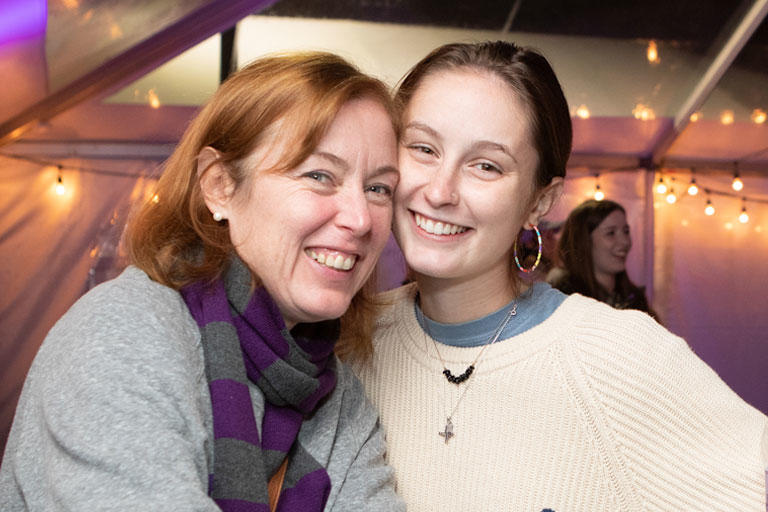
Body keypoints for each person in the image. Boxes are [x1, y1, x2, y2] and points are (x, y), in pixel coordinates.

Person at [353, 41, 768, 511]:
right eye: (424, 148)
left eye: (486, 165)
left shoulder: (615, 356)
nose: (440, 190)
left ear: (540, 201)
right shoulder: (349, 338)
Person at [0, 52, 404, 511]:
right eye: (319, 175)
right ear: (219, 187)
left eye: (379, 189)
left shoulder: (338, 395)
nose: (359, 219)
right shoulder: (122, 332)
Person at [547, 199, 656, 316]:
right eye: (611, 233)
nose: (625, 242)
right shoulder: (565, 299)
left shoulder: (634, 298)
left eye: (626, 231)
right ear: (584, 241)